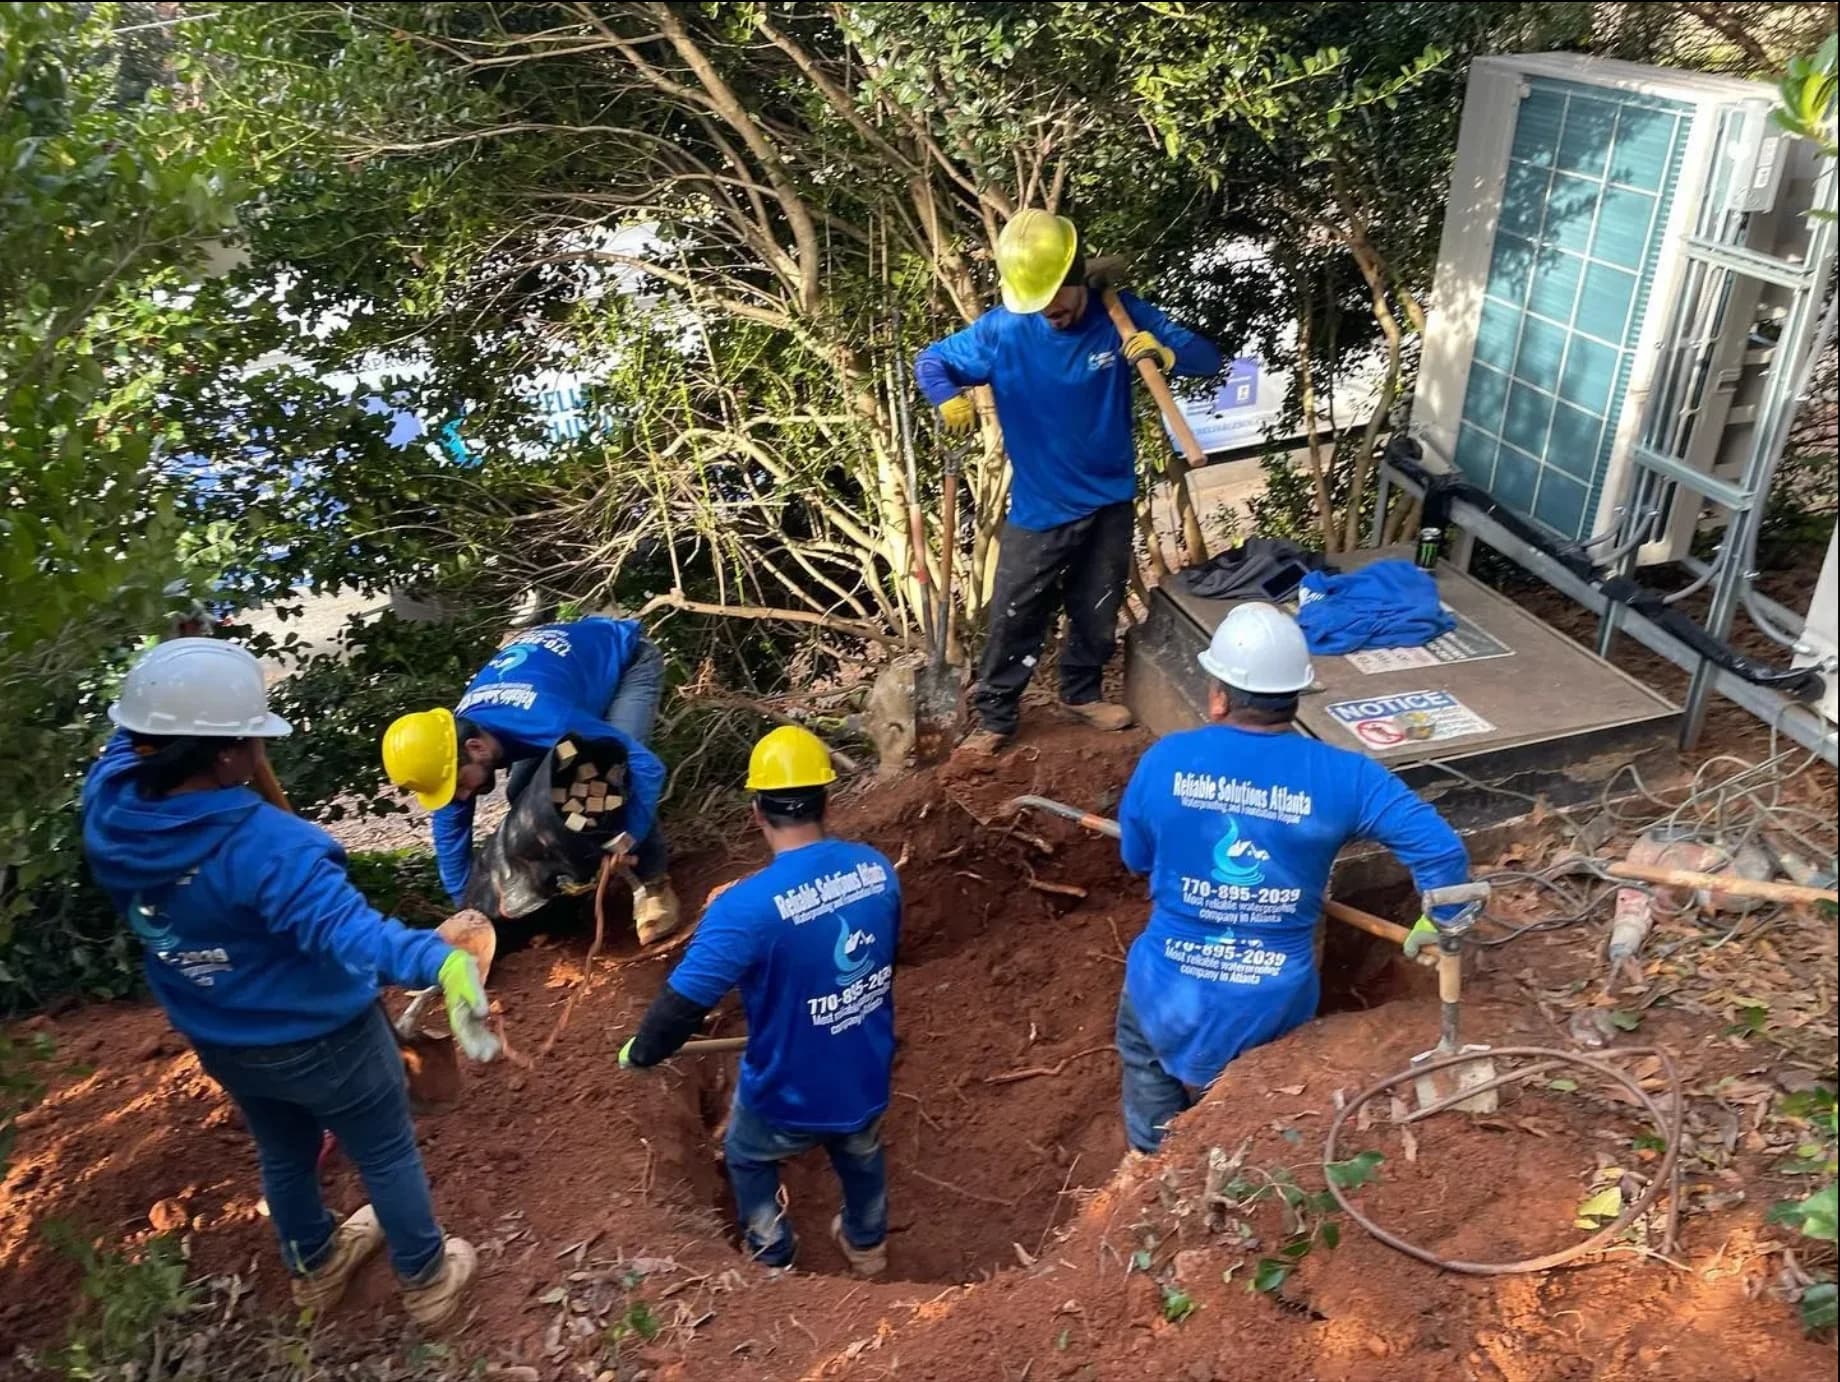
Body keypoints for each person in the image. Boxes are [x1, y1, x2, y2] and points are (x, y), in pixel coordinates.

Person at [82, 639, 493, 1326]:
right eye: (253, 737)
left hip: (220, 1033)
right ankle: (427, 1280)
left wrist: (181, 684)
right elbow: (353, 935)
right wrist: (441, 961)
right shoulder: (270, 848)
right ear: (224, 757)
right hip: (324, 1036)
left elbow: (134, 737)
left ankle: (315, 1267)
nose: (260, 750)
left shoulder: (110, 808)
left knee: (283, 1148)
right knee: (385, 1148)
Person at [1113, 604, 1472, 1154]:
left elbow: (1136, 858)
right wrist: (1441, 921)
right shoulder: (1347, 776)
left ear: (1219, 696)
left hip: (1164, 988)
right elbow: (1441, 851)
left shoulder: (1166, 759)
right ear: (1296, 695)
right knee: (1251, 1109)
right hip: (1272, 1001)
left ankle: (1150, 1166)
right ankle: (1232, 1164)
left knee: (1147, 1070)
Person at [914, 210, 1222, 754]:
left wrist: (1165, 352)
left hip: (1110, 497)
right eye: (1036, 302)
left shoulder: (1120, 315)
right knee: (1015, 612)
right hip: (1041, 505)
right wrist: (945, 396)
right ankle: (996, 716)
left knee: (1096, 605)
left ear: (1076, 276)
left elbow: (1207, 358)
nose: (1049, 311)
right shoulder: (1004, 331)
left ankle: (1081, 693)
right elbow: (931, 361)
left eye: (1055, 296)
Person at [618, 727, 899, 1276]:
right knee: (861, 1148)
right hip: (864, 1069)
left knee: (747, 1157)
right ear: (827, 801)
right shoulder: (876, 869)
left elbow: (681, 1005)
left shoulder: (745, 910)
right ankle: (867, 1245)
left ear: (756, 813)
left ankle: (773, 1256)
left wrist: (643, 1052)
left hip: (786, 1090)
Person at [381, 616, 679, 942]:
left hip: (624, 663)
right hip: (564, 688)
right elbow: (450, 835)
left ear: (476, 747)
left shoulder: (543, 719)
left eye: (461, 785)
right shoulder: (451, 749)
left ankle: (654, 886)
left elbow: (646, 767)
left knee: (612, 775)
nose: (463, 796)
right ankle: (562, 888)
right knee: (524, 794)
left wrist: (628, 838)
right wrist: (469, 912)